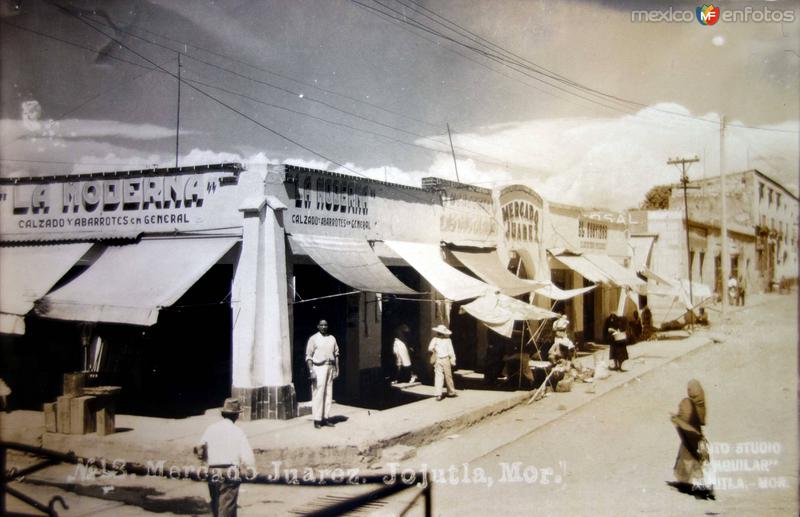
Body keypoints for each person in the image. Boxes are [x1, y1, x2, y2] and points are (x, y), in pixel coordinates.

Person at [194, 398, 255, 517]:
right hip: (230, 471)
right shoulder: (238, 431)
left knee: (216, 505)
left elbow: (200, 448)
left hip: (213, 470)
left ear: (223, 413)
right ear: (237, 415)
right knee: (227, 507)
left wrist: (203, 461)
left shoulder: (211, 428)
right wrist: (250, 468)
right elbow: (247, 456)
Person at [670, 379, 715, 499]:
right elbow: (701, 421)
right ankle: (698, 484)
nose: (689, 391)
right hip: (696, 436)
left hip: (691, 437)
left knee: (689, 458)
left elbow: (684, 420)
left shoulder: (687, 403)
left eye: (690, 389)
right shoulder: (699, 403)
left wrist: (677, 419)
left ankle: (696, 485)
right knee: (696, 459)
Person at [305, 319, 339, 429]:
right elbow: (309, 357)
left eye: (326, 325)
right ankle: (317, 419)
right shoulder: (313, 339)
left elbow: (336, 354)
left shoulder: (332, 338)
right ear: (318, 326)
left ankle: (326, 418)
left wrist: (337, 369)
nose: (324, 327)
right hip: (318, 367)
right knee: (318, 393)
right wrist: (311, 371)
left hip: (330, 367)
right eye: (322, 325)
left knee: (329, 393)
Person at [428, 324, 457, 400]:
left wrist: (435, 351)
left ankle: (438, 394)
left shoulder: (435, 339)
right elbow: (451, 351)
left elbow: (430, 348)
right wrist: (453, 360)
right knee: (448, 376)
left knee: (438, 376)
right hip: (446, 359)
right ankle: (451, 392)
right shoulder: (448, 340)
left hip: (438, 359)